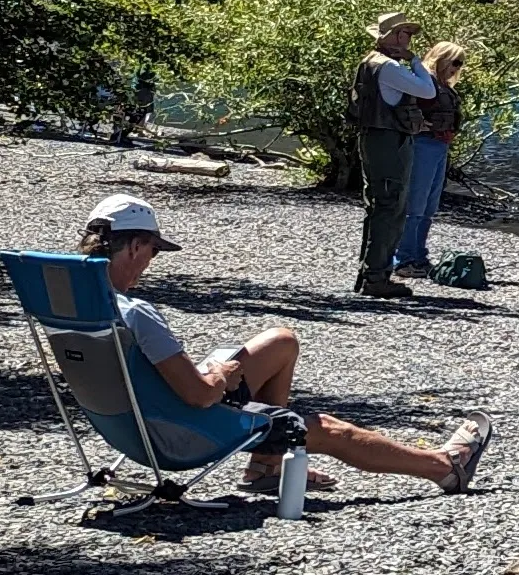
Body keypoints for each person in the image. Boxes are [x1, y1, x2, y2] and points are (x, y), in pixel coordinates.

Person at [76, 193, 491, 497]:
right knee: (326, 429)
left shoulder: (74, 304)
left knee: (280, 342)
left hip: (124, 427)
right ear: (133, 246)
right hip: (176, 433)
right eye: (151, 250)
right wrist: (218, 375)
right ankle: (445, 467)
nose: (151, 261)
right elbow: (200, 396)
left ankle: (266, 466)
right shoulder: (136, 313)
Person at [350, 12, 438, 298]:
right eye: (402, 34)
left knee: (378, 207)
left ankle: (369, 274)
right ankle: (376, 278)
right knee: (390, 207)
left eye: (408, 35)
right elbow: (427, 90)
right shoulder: (388, 67)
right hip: (389, 142)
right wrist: (415, 61)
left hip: (374, 139)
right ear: (388, 37)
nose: (406, 39)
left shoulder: (369, 63)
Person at [391, 39, 467, 283]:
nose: (457, 67)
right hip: (423, 145)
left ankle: (419, 255)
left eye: (460, 63)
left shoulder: (443, 86)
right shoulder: (424, 81)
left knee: (429, 207)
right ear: (442, 58)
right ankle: (403, 259)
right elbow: (403, 106)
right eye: (454, 62)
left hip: (440, 146)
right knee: (415, 204)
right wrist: (416, 125)